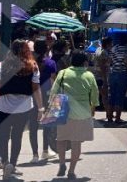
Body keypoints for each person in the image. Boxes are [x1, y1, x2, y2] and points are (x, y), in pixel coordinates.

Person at [0, 39, 43, 180]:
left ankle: (5, 164)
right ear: (26, 50)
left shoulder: (2, 66)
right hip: (23, 108)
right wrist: (40, 108)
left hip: (3, 107)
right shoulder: (32, 66)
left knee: (3, 137)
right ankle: (12, 165)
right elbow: (36, 89)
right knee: (17, 136)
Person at [49, 50, 99, 179]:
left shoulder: (63, 73)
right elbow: (94, 95)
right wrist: (92, 108)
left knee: (61, 139)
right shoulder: (89, 75)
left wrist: (52, 107)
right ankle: (71, 171)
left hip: (64, 111)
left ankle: (61, 163)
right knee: (76, 143)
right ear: (84, 62)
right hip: (83, 113)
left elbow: (54, 91)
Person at [106, 36, 127, 124]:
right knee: (120, 96)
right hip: (122, 74)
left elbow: (109, 61)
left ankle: (109, 117)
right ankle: (117, 118)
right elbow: (126, 62)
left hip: (113, 73)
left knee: (112, 95)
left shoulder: (113, 49)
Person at [92, 36, 112, 122]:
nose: (112, 45)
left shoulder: (98, 49)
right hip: (102, 77)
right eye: (111, 43)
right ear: (108, 44)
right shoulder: (104, 53)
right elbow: (103, 66)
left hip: (96, 76)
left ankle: (91, 114)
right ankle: (109, 115)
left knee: (96, 96)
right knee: (105, 97)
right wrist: (105, 80)